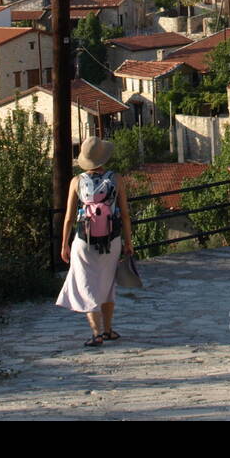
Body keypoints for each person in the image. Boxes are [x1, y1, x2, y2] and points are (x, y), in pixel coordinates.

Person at [57, 137, 134, 348]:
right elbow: (125, 215)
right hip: (112, 239)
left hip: (84, 240)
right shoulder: (116, 179)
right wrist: (129, 241)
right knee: (108, 284)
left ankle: (96, 333)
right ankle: (108, 330)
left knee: (86, 284)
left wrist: (64, 243)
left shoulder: (77, 181)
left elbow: (69, 217)